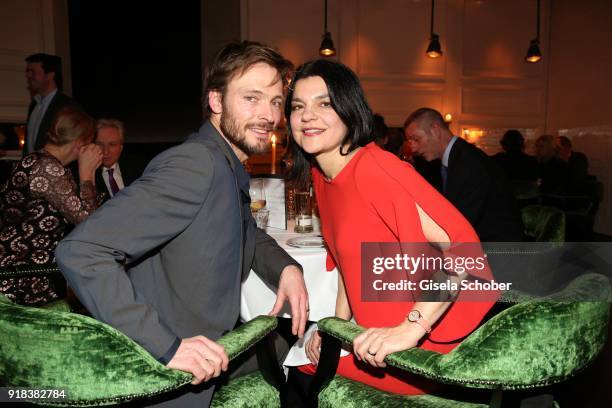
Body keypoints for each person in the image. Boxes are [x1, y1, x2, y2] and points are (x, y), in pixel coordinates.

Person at [55, 41, 308, 408]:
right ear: (216, 102)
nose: (268, 115)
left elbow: (242, 229)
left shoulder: (225, 163)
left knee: (288, 351)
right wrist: (167, 348)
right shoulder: (197, 164)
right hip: (172, 373)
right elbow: (80, 250)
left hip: (212, 343)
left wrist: (285, 268)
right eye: (251, 98)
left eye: (274, 101)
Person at [286, 59, 495, 395]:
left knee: (298, 373)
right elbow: (347, 263)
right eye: (298, 106)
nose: (307, 115)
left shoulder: (375, 169)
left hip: (416, 348)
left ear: (349, 110)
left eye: (324, 103)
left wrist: (411, 328)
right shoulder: (322, 177)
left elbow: (463, 248)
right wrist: (337, 328)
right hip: (370, 329)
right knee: (302, 356)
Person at [0, 107, 102, 306]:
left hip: (28, 272)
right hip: (21, 275)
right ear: (81, 142)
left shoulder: (45, 163)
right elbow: (90, 225)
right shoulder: (46, 168)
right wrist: (87, 174)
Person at [405, 108, 524, 242]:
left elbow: (458, 223)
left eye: (415, 139)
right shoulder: (456, 157)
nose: (413, 148)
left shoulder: (469, 163)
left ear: (435, 130)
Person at [24, 53, 82, 156]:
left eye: (33, 71)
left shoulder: (67, 106)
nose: (28, 75)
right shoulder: (34, 104)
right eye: (27, 71)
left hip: (56, 169)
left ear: (50, 75)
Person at [94, 118, 143, 203]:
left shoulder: (139, 168)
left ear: (121, 147)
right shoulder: (85, 175)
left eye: (112, 144)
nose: (105, 151)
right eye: (100, 144)